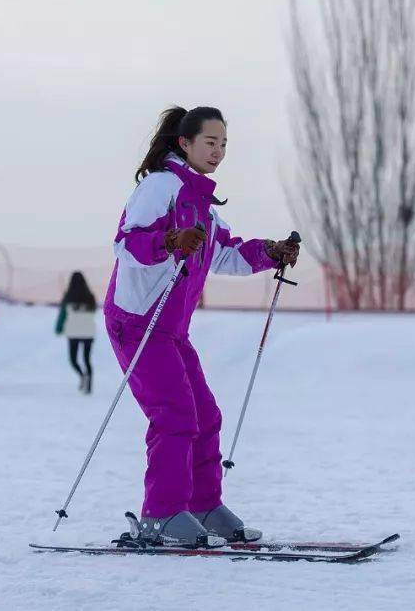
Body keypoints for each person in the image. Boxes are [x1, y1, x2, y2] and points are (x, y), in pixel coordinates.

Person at [103, 106, 300, 547]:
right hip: (137, 321)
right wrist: (170, 241)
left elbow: (225, 254)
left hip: (171, 330)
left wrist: (271, 251)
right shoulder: (161, 186)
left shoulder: (203, 204)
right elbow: (127, 243)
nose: (218, 151)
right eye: (210, 142)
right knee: (174, 414)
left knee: (205, 416)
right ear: (184, 144)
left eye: (224, 144)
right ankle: (162, 514)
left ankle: (202, 505)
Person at [56, 271, 97, 394]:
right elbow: (93, 310)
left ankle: (82, 376)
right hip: (88, 331)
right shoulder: (90, 296)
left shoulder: (68, 296)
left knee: (73, 360)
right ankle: (88, 385)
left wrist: (59, 328)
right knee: (87, 359)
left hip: (73, 331)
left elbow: (63, 314)